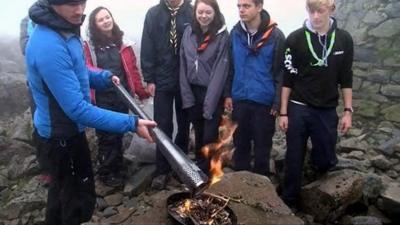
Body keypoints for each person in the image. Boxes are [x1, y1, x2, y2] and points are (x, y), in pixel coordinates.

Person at [26, 0, 156, 224]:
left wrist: (101, 77)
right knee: (73, 203)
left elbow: (76, 67)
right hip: (59, 138)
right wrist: (132, 123)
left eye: (82, 2)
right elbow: (77, 109)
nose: (79, 10)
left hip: (69, 132)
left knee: (64, 196)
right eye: (71, 4)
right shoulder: (48, 44)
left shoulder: (64, 27)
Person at [279, 0, 353, 208]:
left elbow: (346, 78)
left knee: (326, 158)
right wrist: (283, 113)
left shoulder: (344, 39)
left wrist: (348, 111)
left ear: (331, 9)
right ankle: (289, 201)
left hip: (327, 109)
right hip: (298, 106)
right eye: (311, 11)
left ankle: (322, 197)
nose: (316, 16)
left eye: (320, 11)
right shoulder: (295, 39)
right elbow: (287, 78)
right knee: (293, 156)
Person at [84, 6, 150, 187]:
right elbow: (87, 68)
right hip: (102, 97)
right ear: (94, 24)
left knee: (119, 132)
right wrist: (104, 77)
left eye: (108, 17)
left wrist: (141, 91)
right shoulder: (89, 46)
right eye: (101, 19)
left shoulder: (123, 42)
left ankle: (117, 166)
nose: (106, 21)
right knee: (107, 135)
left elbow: (132, 71)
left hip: (123, 96)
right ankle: (107, 172)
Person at [224, 0, 285, 176]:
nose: (241, 10)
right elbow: (230, 67)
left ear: (259, 7)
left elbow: (281, 72)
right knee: (240, 144)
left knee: (262, 147)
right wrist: (228, 94)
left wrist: (277, 102)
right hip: (240, 98)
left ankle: (261, 189)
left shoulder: (276, 35)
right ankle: (241, 190)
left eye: (246, 6)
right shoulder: (235, 33)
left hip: (264, 101)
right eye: (239, 6)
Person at [141, 0, 192, 189]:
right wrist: (149, 78)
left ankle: (182, 167)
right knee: (162, 125)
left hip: (186, 79)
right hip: (161, 79)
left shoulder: (192, 12)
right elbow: (147, 47)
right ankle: (162, 170)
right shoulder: (153, 14)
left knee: (184, 124)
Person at [179, 0, 229, 173]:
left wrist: (210, 101)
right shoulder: (189, 32)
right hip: (193, 91)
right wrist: (187, 96)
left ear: (215, 12)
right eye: (200, 12)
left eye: (208, 12)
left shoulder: (222, 36)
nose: (204, 16)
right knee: (199, 132)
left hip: (212, 92)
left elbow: (220, 71)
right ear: (195, 12)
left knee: (210, 134)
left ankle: (212, 170)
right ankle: (201, 168)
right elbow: (183, 63)